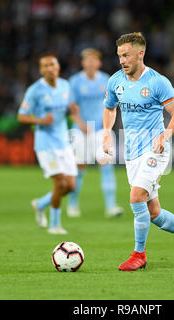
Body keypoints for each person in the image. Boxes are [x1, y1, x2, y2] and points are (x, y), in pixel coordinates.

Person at [102, 32, 174, 271]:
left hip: (155, 149)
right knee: (153, 212)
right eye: (119, 56)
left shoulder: (158, 82)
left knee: (136, 197)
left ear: (140, 53)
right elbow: (109, 108)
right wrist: (106, 130)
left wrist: (165, 135)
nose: (122, 60)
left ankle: (139, 255)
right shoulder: (116, 80)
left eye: (126, 55)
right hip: (131, 152)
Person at [17, 55, 84, 235]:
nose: (49, 68)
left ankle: (39, 205)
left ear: (58, 67)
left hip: (63, 142)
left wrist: (73, 112)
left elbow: (67, 109)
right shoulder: (35, 90)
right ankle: (54, 225)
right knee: (60, 183)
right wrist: (40, 120)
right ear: (41, 70)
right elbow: (21, 116)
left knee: (71, 186)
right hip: (45, 144)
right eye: (45, 66)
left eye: (52, 64)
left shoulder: (65, 85)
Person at [67, 48, 124, 218]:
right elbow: (72, 109)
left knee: (106, 165)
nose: (90, 63)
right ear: (83, 63)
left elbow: (112, 106)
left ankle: (111, 206)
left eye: (94, 60)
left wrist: (107, 127)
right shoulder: (75, 82)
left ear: (99, 63)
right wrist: (81, 125)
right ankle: (73, 204)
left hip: (101, 130)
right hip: (80, 131)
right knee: (79, 168)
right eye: (87, 60)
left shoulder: (107, 80)